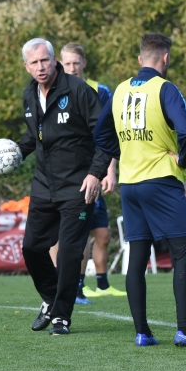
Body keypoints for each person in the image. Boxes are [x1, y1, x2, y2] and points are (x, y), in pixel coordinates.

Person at [94, 33, 186, 348]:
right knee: (183, 251)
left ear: (140, 60)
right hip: (161, 180)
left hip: (130, 184)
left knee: (138, 254)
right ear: (166, 59)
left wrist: (123, 152)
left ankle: (142, 332)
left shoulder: (121, 90)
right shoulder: (166, 89)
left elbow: (100, 132)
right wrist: (185, 158)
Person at [17, 38, 110, 335]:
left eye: (45, 60)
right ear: (26, 66)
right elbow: (34, 138)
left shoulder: (79, 90)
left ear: (54, 59)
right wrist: (13, 153)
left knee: (70, 252)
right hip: (44, 185)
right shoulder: (29, 95)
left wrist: (96, 173)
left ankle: (61, 317)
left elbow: (105, 135)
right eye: (34, 63)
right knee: (31, 248)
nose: (41, 67)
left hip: (78, 186)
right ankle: (49, 298)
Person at [59, 43, 126, 303]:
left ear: (84, 63)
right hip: (73, 175)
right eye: (67, 63)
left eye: (76, 62)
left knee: (102, 234)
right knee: (78, 233)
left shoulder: (101, 91)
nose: (72, 68)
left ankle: (102, 284)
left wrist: (110, 171)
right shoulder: (56, 90)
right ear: (60, 64)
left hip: (96, 170)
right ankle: (75, 287)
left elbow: (109, 134)